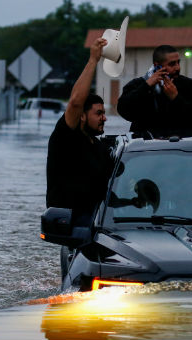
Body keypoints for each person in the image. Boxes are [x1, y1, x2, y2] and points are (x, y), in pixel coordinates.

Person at [46, 37, 114, 221]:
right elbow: (76, 102)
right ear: (82, 116)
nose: (104, 118)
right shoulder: (66, 137)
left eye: (104, 113)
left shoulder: (101, 149)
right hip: (71, 227)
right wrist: (93, 60)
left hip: (100, 225)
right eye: (98, 113)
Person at [117, 45, 192, 132]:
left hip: (179, 143)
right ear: (157, 65)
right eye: (172, 64)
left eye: (178, 62)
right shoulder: (137, 85)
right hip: (145, 144)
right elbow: (123, 110)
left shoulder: (189, 85)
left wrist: (176, 98)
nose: (177, 67)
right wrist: (146, 86)